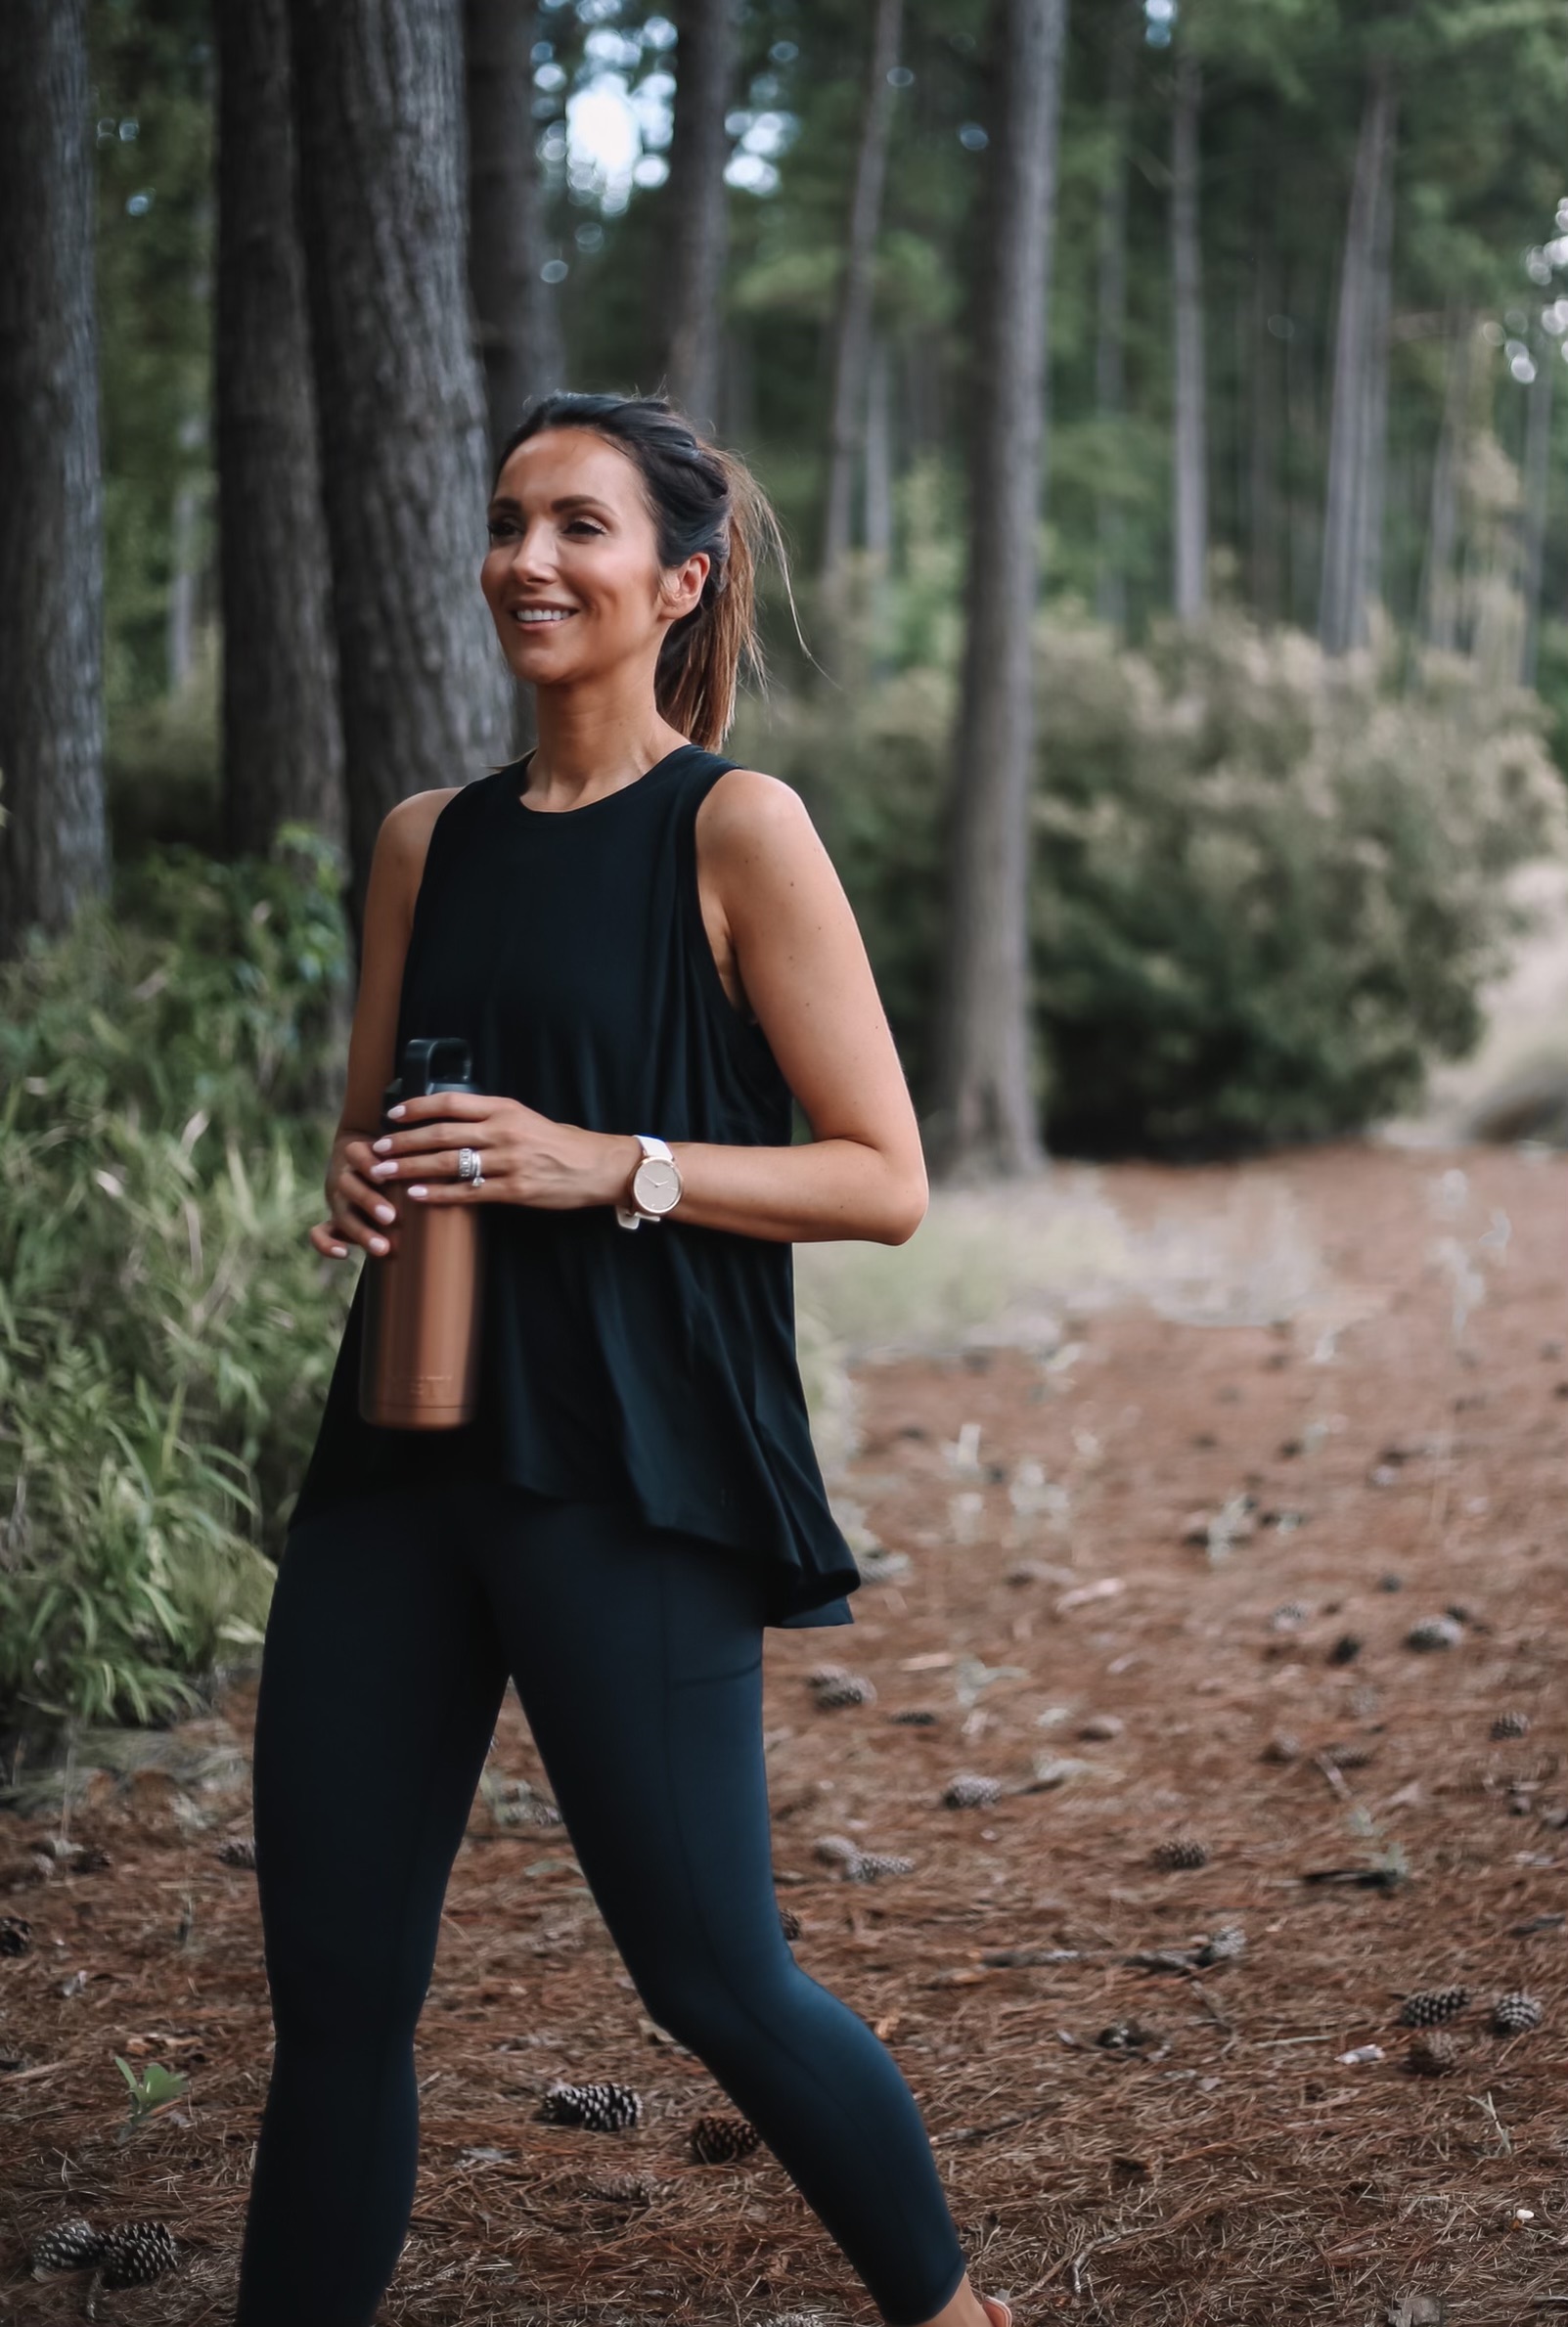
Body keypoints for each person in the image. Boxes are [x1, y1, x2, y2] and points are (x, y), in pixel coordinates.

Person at [235, 390, 1015, 2327]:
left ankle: (952, 2313)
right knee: (332, 1990)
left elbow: (884, 1179)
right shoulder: (428, 839)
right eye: (508, 522)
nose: (527, 561)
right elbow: (382, 1128)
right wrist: (363, 1183)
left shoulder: (737, 828)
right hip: (399, 1453)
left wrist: (616, 1163)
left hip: (635, 1458)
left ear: (680, 580)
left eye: (579, 527)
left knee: (706, 1969)